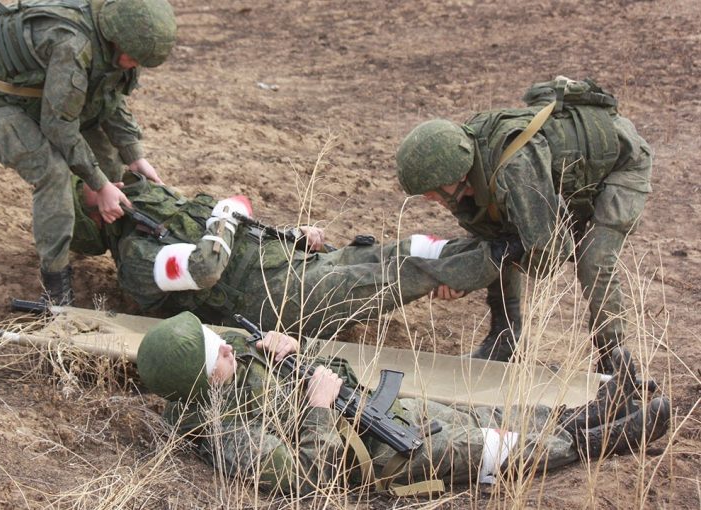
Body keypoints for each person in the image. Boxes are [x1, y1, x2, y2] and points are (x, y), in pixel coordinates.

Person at [135, 311, 671, 495]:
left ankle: (594, 407)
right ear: (201, 383)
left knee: (483, 413)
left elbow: (327, 375)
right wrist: (321, 408)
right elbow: (306, 479)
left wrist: (299, 353)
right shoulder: (231, 436)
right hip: (380, 458)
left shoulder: (228, 362)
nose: (226, 344)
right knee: (484, 447)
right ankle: (594, 442)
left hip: (373, 410)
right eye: (216, 353)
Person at [395, 77, 653, 372]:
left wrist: (492, 260)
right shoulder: (467, 160)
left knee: (593, 260)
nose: (429, 199)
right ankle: (505, 341)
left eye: (430, 191)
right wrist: (465, 278)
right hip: (566, 175)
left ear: (454, 175)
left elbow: (549, 253)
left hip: (622, 165)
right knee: (500, 241)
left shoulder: (514, 170)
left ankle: (615, 362)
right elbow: (494, 243)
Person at [69, 172, 505, 338]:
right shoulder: (138, 258)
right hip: (278, 302)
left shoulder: (156, 215)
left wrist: (293, 236)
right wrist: (226, 212)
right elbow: (204, 269)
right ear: (97, 216)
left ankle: (495, 249)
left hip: (289, 269)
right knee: (409, 266)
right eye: (94, 183)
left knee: (414, 249)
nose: (105, 175)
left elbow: (232, 243)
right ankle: (510, 253)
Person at [0, 0, 177, 304]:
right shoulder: (73, 44)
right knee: (51, 172)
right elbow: (59, 127)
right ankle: (55, 289)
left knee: (111, 168)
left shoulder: (110, 39)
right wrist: (99, 184)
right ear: (116, 38)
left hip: (34, 85)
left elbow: (107, 98)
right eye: (132, 58)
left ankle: (90, 237)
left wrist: (135, 156)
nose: (134, 65)